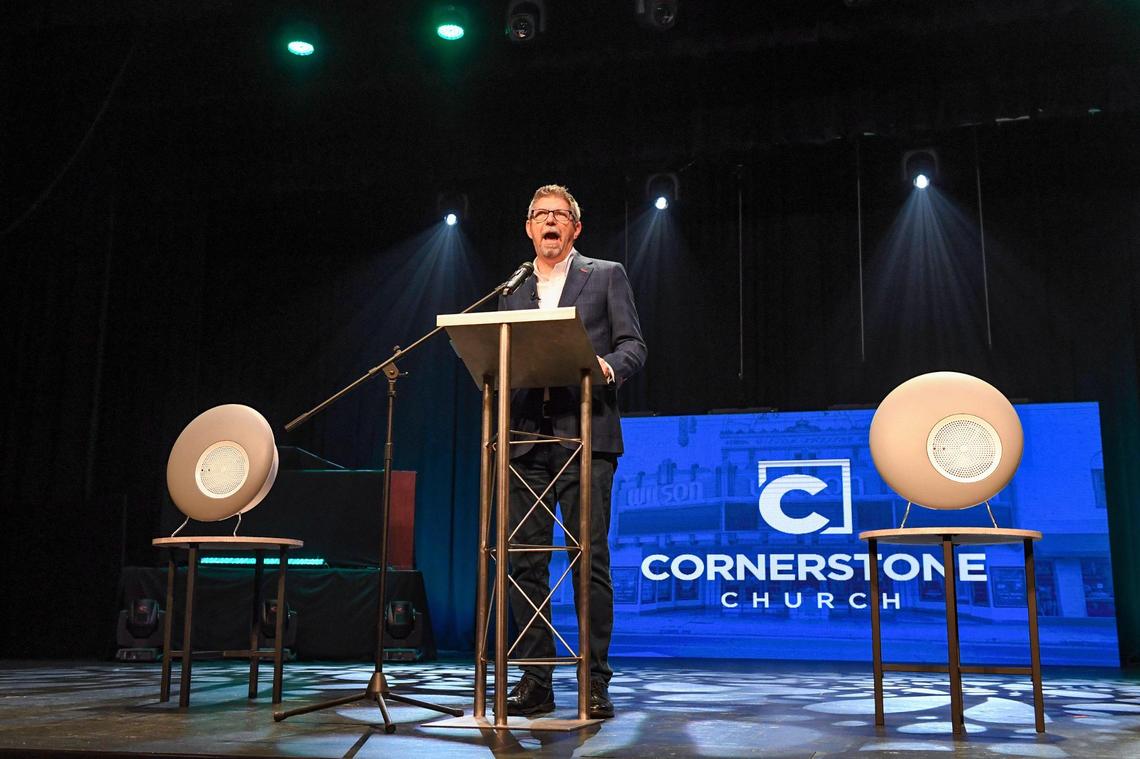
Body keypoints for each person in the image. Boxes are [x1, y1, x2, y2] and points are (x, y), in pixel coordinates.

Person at [498, 184, 647, 719]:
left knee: (588, 561)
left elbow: (633, 345)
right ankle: (536, 681)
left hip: (586, 436)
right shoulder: (512, 288)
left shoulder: (604, 275)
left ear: (575, 229)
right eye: (541, 216)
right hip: (523, 442)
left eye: (560, 215)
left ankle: (594, 682)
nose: (551, 223)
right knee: (522, 565)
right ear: (529, 228)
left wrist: (605, 367)